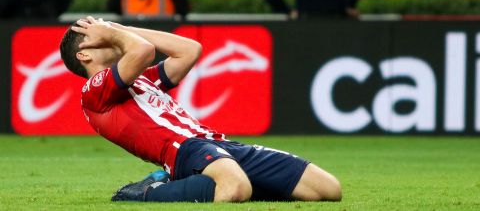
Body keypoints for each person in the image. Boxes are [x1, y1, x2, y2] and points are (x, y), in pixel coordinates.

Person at [59, 16, 342, 203]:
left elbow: (189, 50)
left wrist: (121, 30)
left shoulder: (142, 79)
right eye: (98, 34)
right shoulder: (93, 91)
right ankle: (145, 194)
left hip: (218, 143)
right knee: (235, 188)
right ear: (84, 55)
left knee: (327, 190)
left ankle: (191, 181)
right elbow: (143, 51)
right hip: (183, 151)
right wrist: (115, 33)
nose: (108, 34)